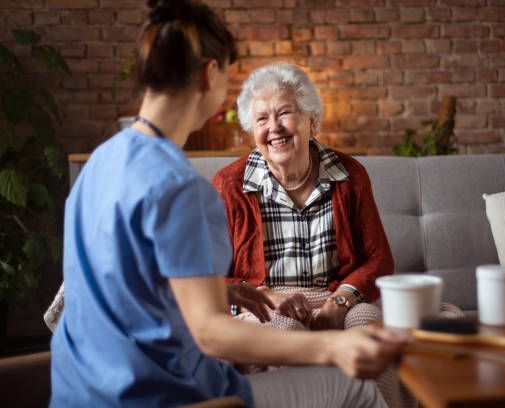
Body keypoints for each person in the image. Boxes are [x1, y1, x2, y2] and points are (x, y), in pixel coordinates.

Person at [50, 1, 402, 407]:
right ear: (210, 72)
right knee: (356, 387)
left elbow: (131, 284)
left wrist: (232, 291)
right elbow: (210, 333)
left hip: (80, 393)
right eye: (229, 75)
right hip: (157, 395)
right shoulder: (179, 186)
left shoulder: (100, 162)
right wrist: (332, 349)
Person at [212, 62, 393, 334]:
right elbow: (208, 276)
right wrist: (266, 297)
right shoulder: (230, 185)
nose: (274, 128)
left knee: (367, 326)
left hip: (337, 297)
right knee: (285, 329)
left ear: (311, 120)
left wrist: (338, 303)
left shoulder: (350, 175)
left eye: (285, 113)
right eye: (262, 119)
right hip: (265, 304)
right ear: (252, 131)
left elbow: (378, 259)